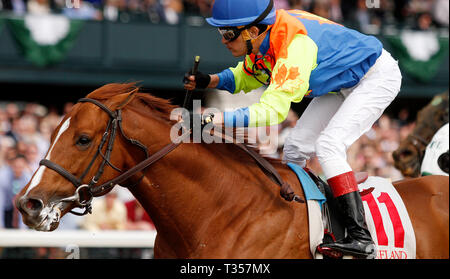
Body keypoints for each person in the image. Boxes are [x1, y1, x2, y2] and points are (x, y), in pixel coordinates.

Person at [183, 0, 402, 258]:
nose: (223, 40)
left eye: (227, 33)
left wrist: (216, 119)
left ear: (252, 32)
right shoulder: (266, 36)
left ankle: (360, 237)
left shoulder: (294, 46)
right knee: (295, 147)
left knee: (328, 146)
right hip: (343, 83)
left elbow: (271, 112)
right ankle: (300, 219)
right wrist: (211, 81)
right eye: (221, 33)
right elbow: (248, 75)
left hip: (375, 77)